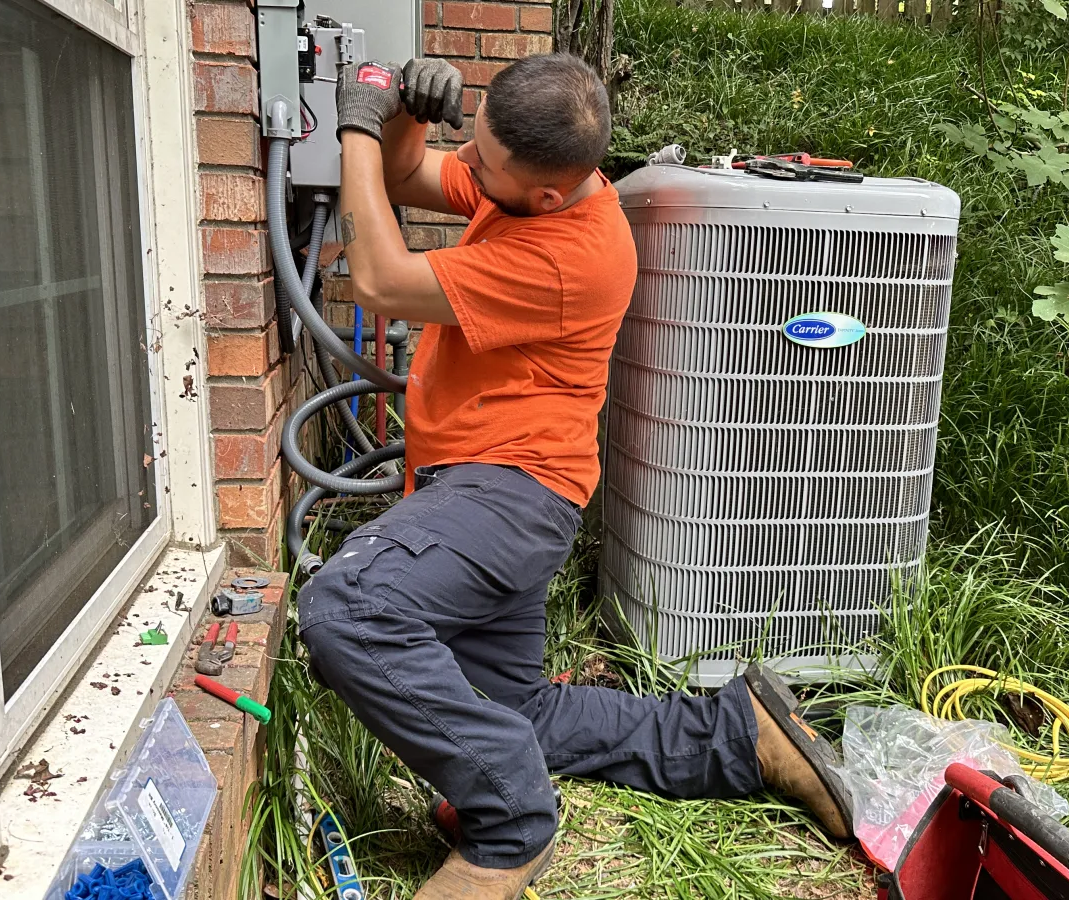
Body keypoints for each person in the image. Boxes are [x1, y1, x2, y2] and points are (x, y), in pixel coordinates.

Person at [298, 53, 856, 900]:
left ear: (549, 193)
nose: (472, 174)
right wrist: (405, 112)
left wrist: (353, 123)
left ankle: (513, 822)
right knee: (517, 716)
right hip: (495, 488)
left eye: (484, 166)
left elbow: (378, 279)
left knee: (349, 608)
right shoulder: (528, 181)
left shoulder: (572, 256)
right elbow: (409, 173)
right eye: (475, 150)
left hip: (506, 492)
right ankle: (740, 736)